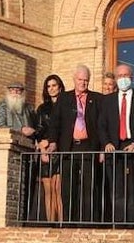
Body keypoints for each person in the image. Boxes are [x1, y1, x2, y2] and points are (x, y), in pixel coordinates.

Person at [97, 63, 134, 224]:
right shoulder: (107, 100)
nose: (123, 79)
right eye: (120, 76)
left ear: (132, 78)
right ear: (116, 79)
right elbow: (101, 125)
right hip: (115, 149)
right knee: (117, 191)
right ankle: (119, 224)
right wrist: (107, 143)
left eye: (126, 76)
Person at [46, 65, 102, 224]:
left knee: (89, 186)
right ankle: (70, 222)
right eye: (80, 79)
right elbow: (55, 122)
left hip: (89, 147)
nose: (83, 83)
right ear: (74, 79)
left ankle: (88, 222)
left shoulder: (97, 98)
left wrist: (102, 148)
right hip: (68, 147)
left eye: (86, 80)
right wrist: (53, 142)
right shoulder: (64, 98)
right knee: (68, 188)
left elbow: (101, 125)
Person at [34, 75, 64, 223]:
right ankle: (50, 223)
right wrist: (42, 148)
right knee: (48, 191)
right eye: (48, 86)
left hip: (60, 150)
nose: (51, 88)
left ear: (59, 86)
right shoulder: (42, 108)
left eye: (54, 85)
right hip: (45, 151)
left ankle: (61, 224)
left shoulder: (66, 104)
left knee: (59, 190)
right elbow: (38, 130)